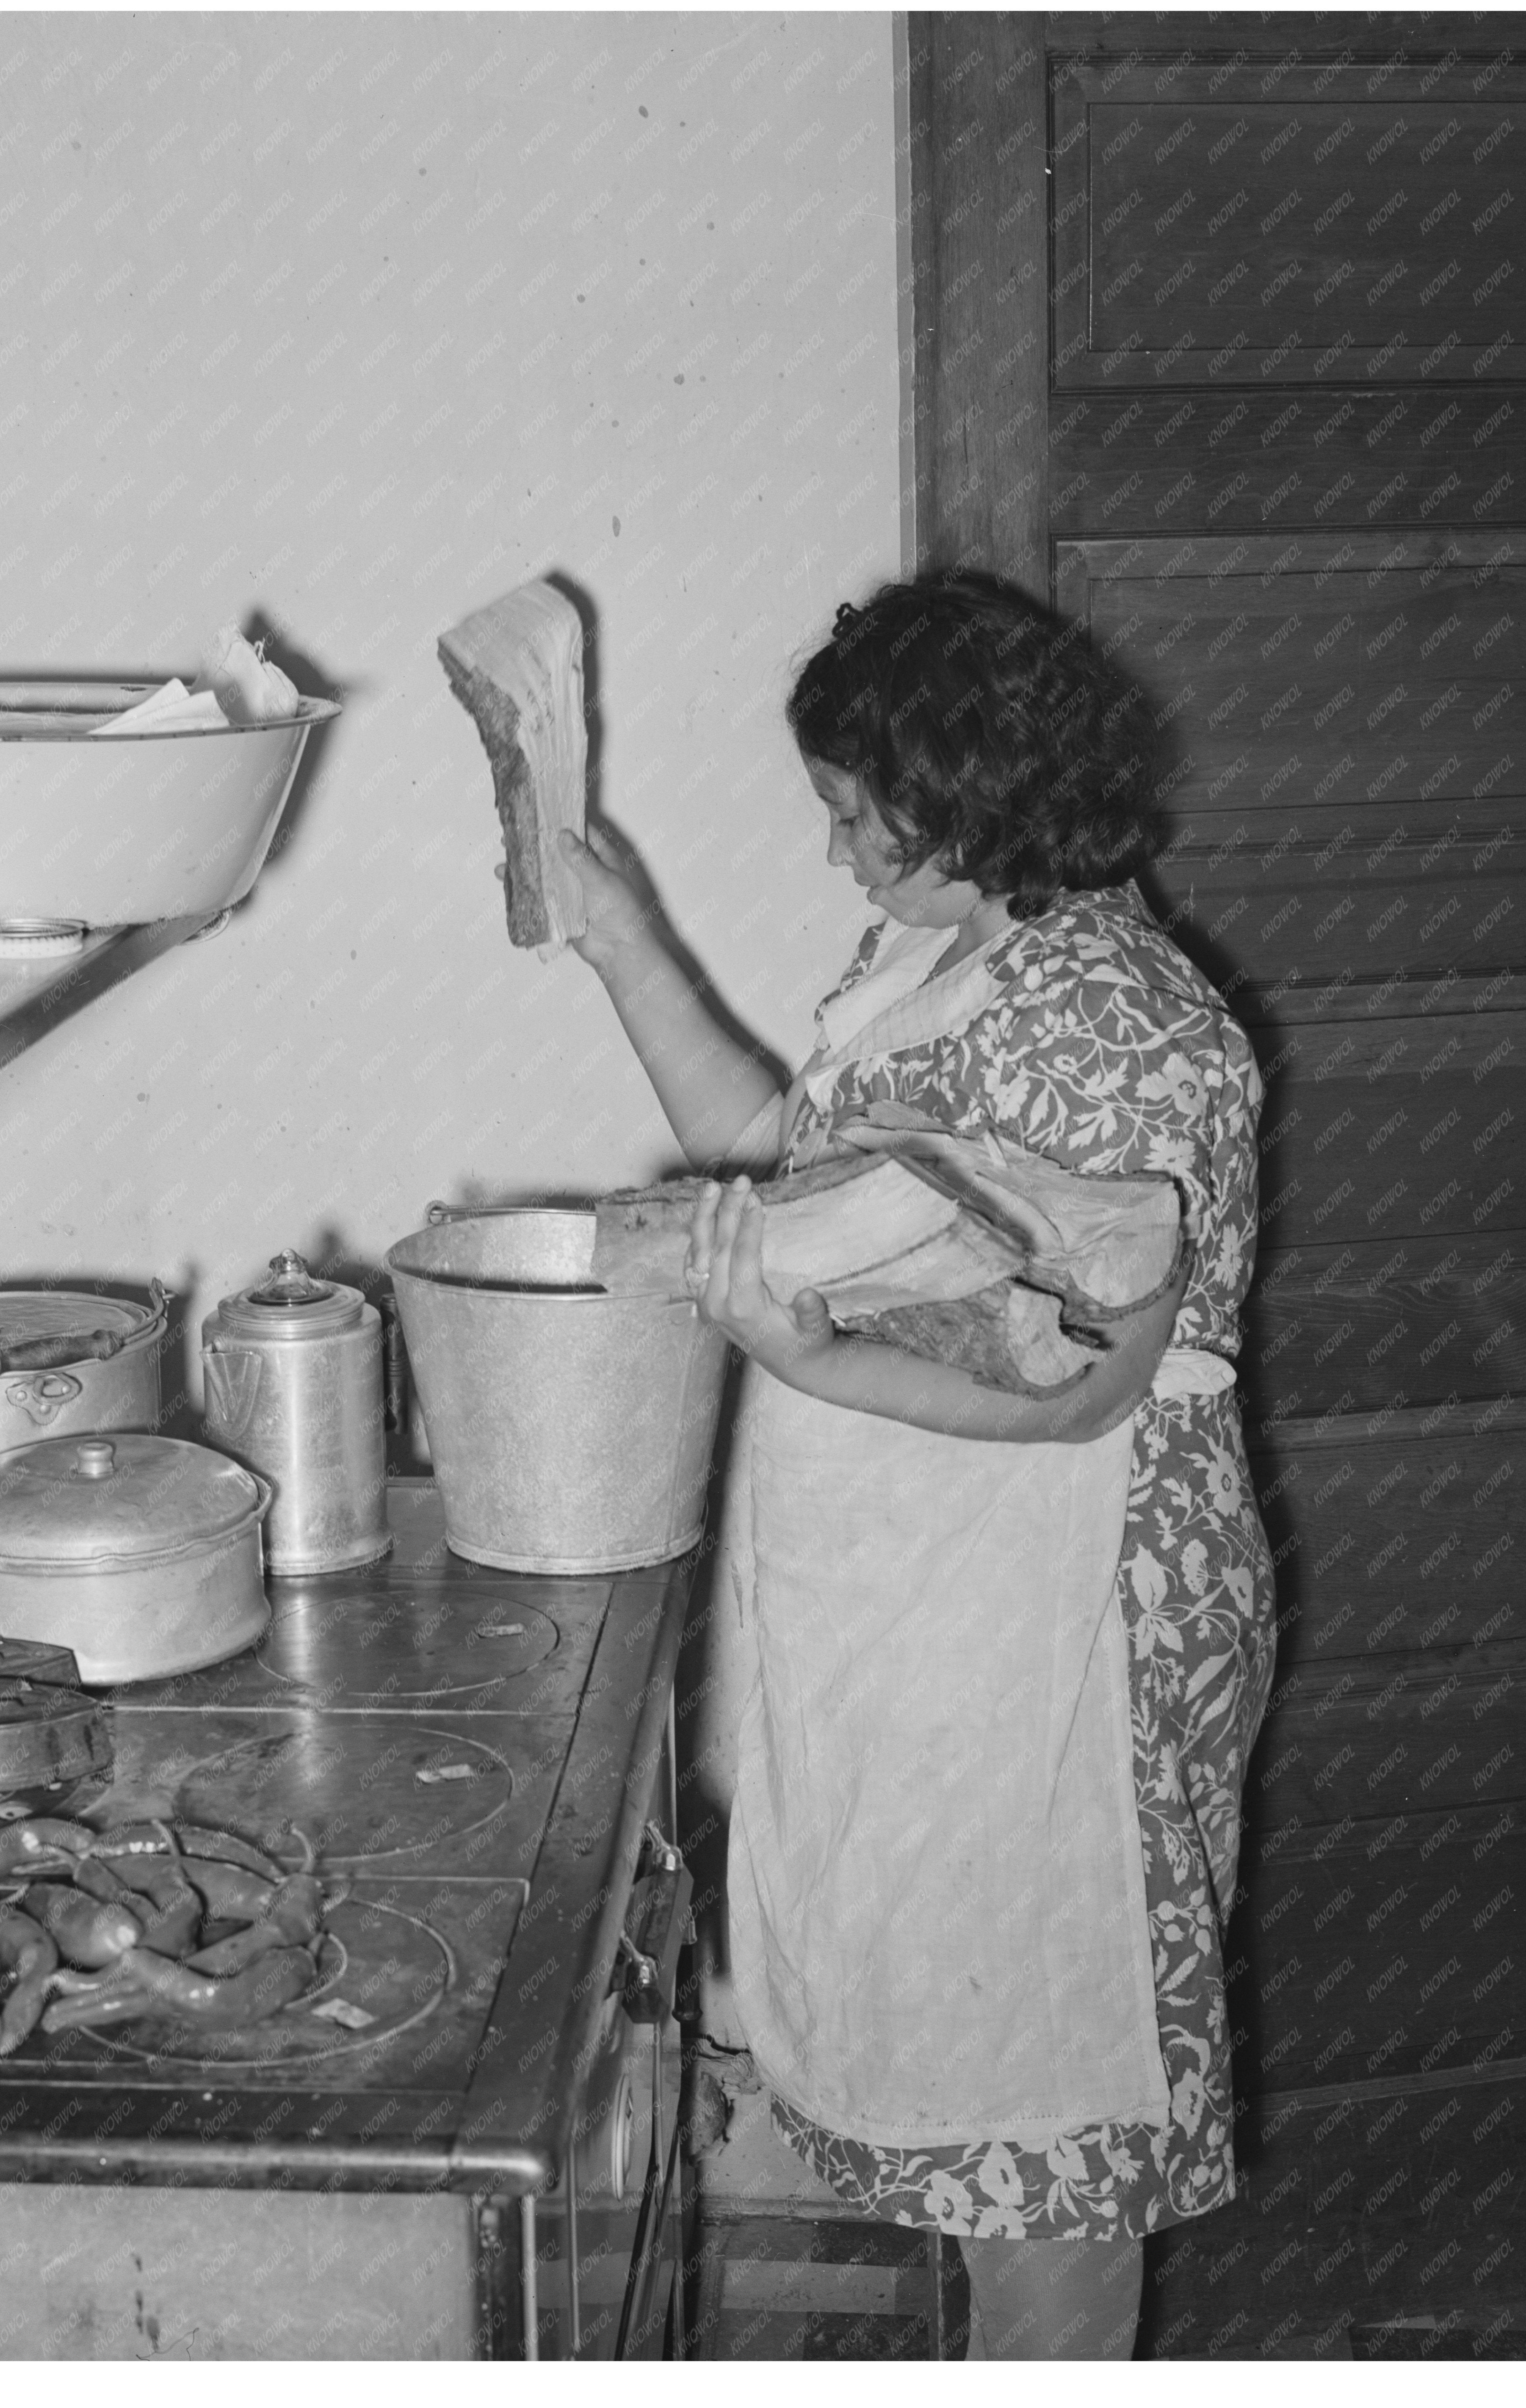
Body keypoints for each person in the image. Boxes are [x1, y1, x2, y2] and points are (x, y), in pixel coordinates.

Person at [557, 568, 1275, 2361]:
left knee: (1049, 2120)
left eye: (866, 820)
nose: (841, 858)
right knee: (969, 2099)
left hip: (1072, 1616)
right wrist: (618, 928)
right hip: (942, 1596)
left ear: (981, 798)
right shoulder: (946, 952)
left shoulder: (1136, 1030)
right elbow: (780, 1159)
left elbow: (1083, 1393)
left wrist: (801, 1348)